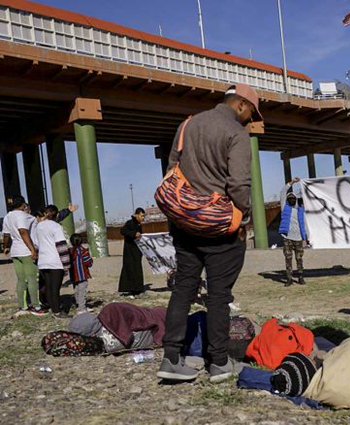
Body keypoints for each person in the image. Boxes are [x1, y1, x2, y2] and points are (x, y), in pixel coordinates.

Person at [158, 83, 259, 383]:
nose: (251, 119)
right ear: (240, 104)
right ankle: (218, 363)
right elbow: (239, 185)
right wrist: (244, 218)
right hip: (218, 229)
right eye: (251, 112)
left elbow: (171, 168)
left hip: (185, 226)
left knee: (184, 289)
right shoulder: (236, 134)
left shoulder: (187, 124)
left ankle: (172, 357)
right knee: (218, 295)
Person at [2, 195, 44, 316]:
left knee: (21, 280)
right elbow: (23, 232)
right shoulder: (23, 216)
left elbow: (6, 234)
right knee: (32, 279)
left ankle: (23, 306)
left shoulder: (8, 216)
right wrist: (33, 250)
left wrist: (6, 247)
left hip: (15, 252)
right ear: (23, 205)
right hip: (26, 251)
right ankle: (36, 306)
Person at [35, 205, 70, 318]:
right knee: (55, 288)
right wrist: (66, 264)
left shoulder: (39, 226)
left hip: (43, 261)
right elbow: (61, 246)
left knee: (49, 287)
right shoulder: (56, 227)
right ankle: (57, 312)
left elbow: (36, 244)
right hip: (55, 261)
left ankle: (52, 308)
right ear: (57, 214)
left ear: (45, 214)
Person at [279, 179, 308, 286]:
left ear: (295, 200)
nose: (291, 200)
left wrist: (306, 238)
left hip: (299, 238)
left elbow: (305, 225)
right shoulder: (284, 208)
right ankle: (289, 278)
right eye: (289, 198)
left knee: (299, 258)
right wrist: (291, 183)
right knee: (288, 258)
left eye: (293, 198)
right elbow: (282, 192)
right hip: (287, 237)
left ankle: (300, 276)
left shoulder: (300, 211)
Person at [118, 208, 146, 296]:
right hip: (129, 251)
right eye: (141, 216)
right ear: (137, 215)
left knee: (137, 269)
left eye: (143, 216)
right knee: (130, 269)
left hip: (136, 251)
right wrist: (134, 234)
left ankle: (137, 289)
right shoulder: (130, 223)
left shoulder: (138, 225)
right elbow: (123, 231)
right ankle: (130, 289)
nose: (143, 218)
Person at [69, 234, 94, 314]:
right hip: (82, 275)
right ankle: (82, 308)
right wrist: (91, 260)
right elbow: (88, 263)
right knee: (82, 291)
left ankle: (78, 305)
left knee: (76, 290)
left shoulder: (70, 251)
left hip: (73, 275)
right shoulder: (83, 251)